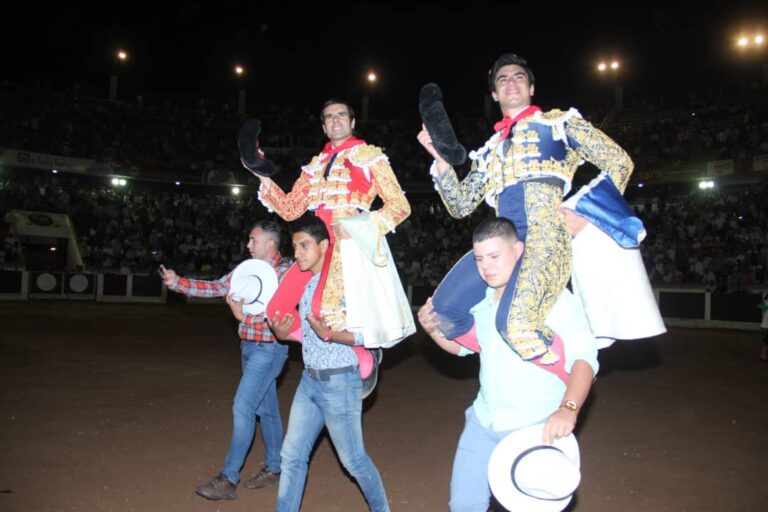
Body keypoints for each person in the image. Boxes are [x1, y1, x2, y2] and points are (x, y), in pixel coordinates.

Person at [416, 52, 640, 375]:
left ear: (531, 88)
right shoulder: (490, 150)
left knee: (517, 324)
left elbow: (620, 163)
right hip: (501, 243)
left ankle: (568, 384)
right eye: (502, 79)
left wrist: (584, 213)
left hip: (546, 236)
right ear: (494, 94)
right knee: (443, 311)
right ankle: (498, 356)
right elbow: (460, 205)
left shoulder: (560, 124)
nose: (510, 83)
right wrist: (440, 160)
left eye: (518, 77)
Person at [417, 217, 598, 512]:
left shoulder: (551, 299)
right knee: (463, 505)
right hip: (483, 419)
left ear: (518, 249)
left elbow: (584, 359)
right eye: (478, 259)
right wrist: (433, 330)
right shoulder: (482, 302)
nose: (486, 266)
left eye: (494, 256)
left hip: (535, 425)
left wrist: (568, 409)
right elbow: (462, 349)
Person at [250, 98, 414, 384]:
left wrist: (361, 225)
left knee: (322, 311)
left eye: (341, 115)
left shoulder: (370, 156)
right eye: (329, 117)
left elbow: (400, 205)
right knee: (276, 311)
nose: (335, 120)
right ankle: (324, 348)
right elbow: (290, 208)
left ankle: (364, 357)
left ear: (352, 122)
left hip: (348, 247)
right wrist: (261, 175)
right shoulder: (315, 165)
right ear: (324, 127)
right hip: (313, 244)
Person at [159, 220, 291, 501]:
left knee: (243, 405)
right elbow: (216, 287)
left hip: (269, 349)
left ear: (270, 244)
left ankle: (229, 477)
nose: (248, 244)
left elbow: (283, 314)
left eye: (253, 240)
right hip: (249, 347)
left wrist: (241, 314)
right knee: (266, 411)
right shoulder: (248, 270)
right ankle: (275, 468)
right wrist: (177, 282)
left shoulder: (287, 272)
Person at [268, 216, 390, 512]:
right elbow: (309, 335)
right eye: (295, 246)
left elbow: (372, 333)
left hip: (339, 382)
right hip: (309, 381)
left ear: (324, 246)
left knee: (353, 460)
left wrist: (331, 334)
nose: (297, 253)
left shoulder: (346, 284)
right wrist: (284, 334)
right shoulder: (308, 285)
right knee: (292, 455)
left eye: (304, 245)